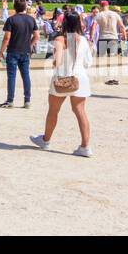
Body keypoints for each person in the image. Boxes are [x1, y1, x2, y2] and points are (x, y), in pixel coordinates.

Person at [30, 10, 93, 157]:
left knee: (53, 110)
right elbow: (88, 62)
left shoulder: (60, 39)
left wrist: (54, 60)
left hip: (62, 79)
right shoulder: (84, 41)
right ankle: (85, 146)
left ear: (64, 22)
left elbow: (57, 62)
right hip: (80, 79)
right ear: (79, 23)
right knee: (80, 112)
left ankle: (46, 140)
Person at [0, 0, 39, 108]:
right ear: (25, 7)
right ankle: (27, 101)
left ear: (15, 8)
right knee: (26, 76)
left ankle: (10, 101)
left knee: (11, 76)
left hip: (13, 51)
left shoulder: (11, 20)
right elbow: (37, 36)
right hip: (25, 52)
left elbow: (7, 38)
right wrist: (30, 45)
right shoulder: (31, 19)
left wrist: (1, 52)